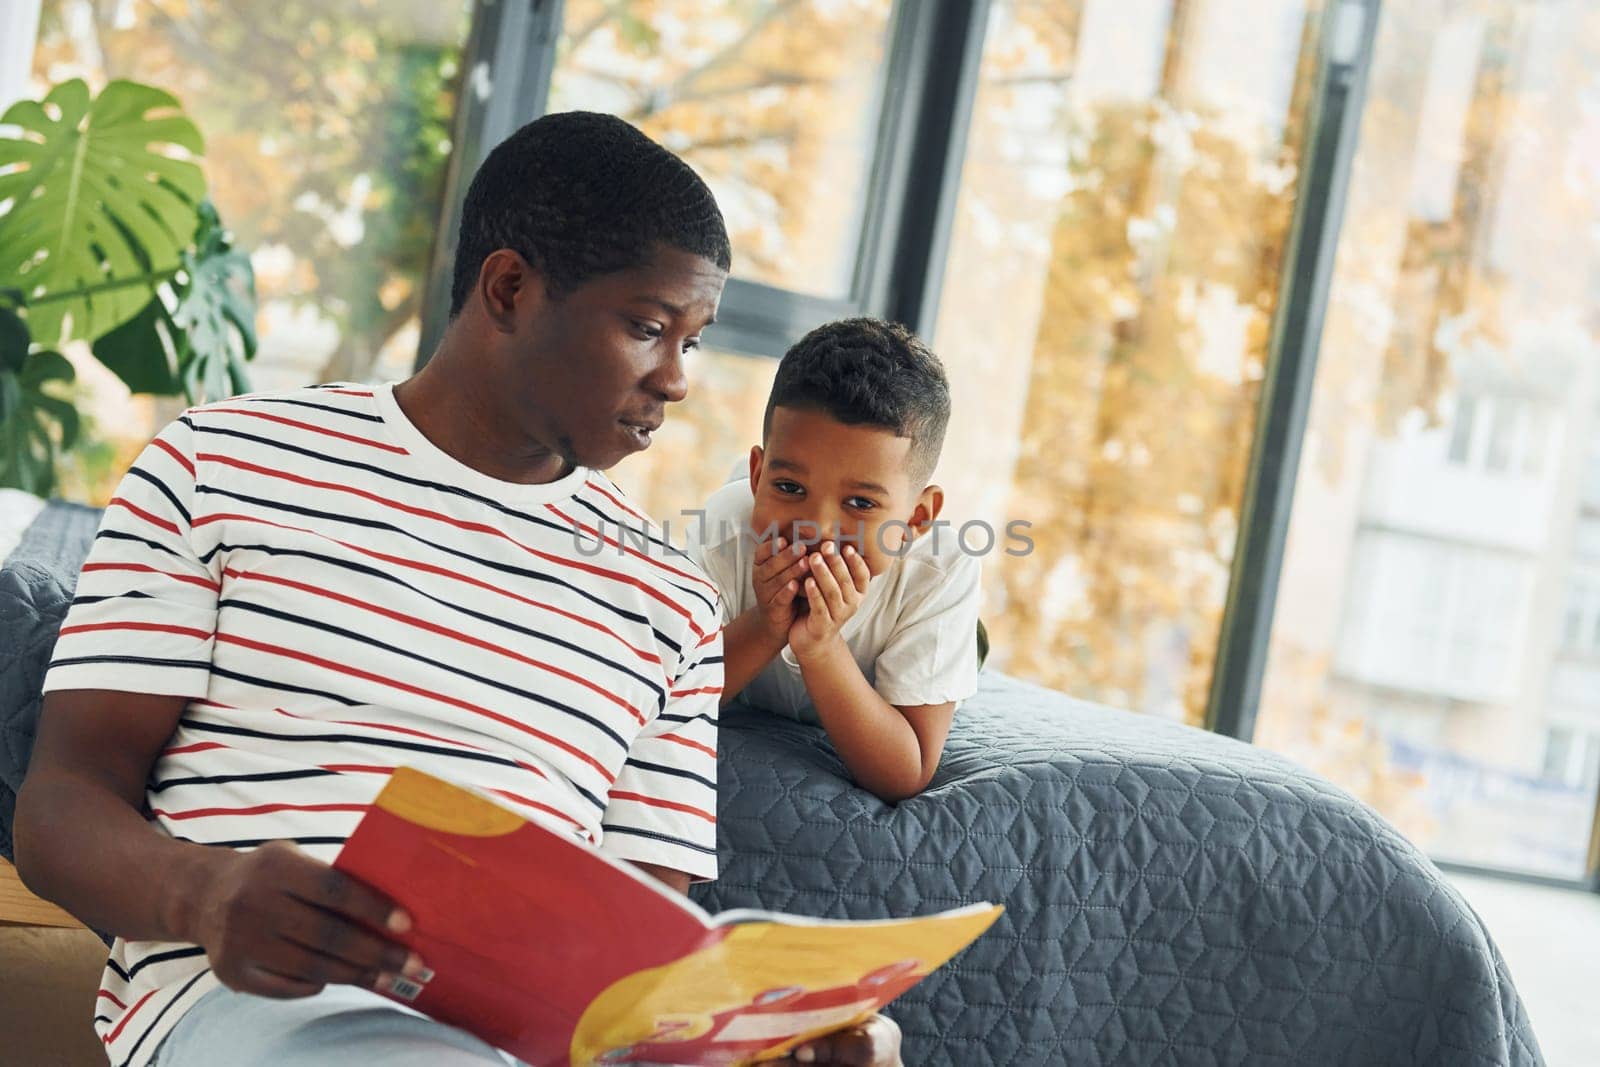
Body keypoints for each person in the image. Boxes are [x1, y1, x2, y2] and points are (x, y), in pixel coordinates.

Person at [15, 112, 899, 1067]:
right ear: (510, 288)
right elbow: (62, 804)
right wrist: (209, 895)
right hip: (256, 1013)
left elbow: (639, 979)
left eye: (694, 340)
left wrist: (765, 1046)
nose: (678, 380)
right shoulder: (219, 465)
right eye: (648, 327)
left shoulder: (669, 598)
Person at [686, 319, 981, 803]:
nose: (817, 529)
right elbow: (672, 694)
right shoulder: (727, 526)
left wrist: (821, 648)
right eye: (789, 488)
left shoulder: (940, 570)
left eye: (861, 504)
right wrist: (766, 624)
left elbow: (905, 773)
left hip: (923, 617)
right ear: (758, 476)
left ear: (916, 517)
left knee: (966, 649)